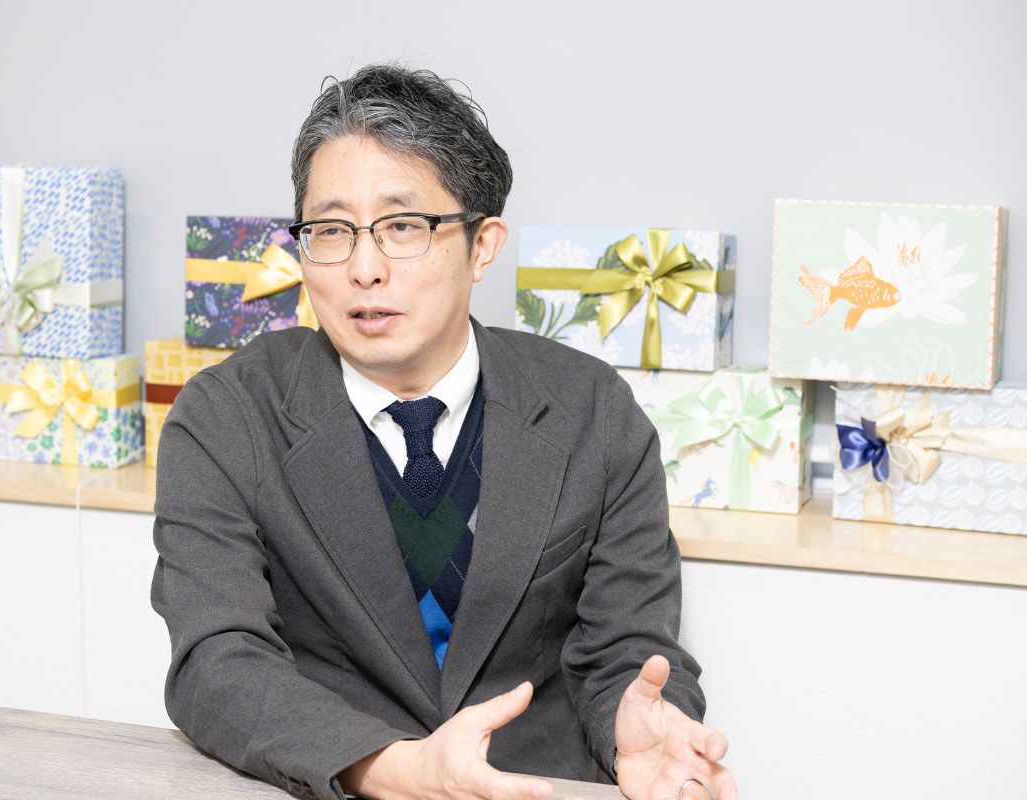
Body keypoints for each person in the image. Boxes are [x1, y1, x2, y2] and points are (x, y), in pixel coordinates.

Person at [151, 64, 737, 800]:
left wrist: (639, 728)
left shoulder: (593, 411)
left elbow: (626, 648)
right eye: (331, 231)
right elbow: (217, 663)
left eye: (403, 228)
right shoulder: (225, 416)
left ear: (482, 245)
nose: (364, 268)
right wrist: (392, 768)